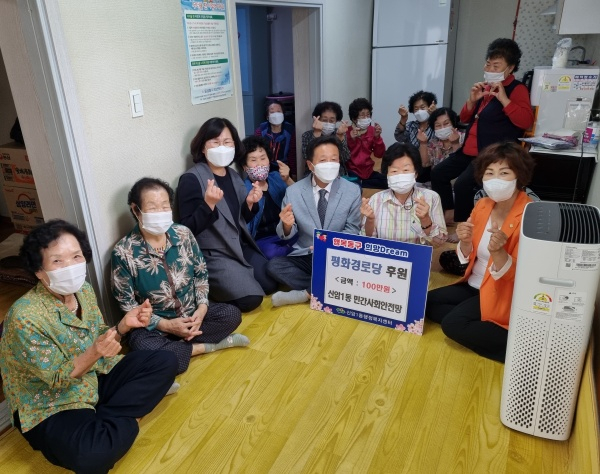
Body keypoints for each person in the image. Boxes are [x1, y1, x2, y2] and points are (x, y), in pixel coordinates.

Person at [0, 219, 178, 474]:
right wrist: (95, 352)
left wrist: (123, 327)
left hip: (92, 375)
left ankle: (106, 421)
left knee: (166, 361)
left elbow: (99, 333)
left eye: (76, 257)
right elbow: (56, 379)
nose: (70, 267)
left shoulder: (83, 290)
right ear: (38, 270)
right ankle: (124, 417)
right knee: (92, 457)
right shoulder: (24, 317)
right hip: (48, 401)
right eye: (57, 261)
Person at [111, 178, 249, 375]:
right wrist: (166, 325)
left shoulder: (183, 234)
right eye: (153, 208)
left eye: (165, 206)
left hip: (192, 316)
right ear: (136, 210)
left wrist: (201, 309)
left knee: (231, 314)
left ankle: (177, 351)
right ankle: (202, 347)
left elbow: (201, 273)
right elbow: (127, 304)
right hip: (155, 327)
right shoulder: (123, 252)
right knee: (141, 345)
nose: (160, 212)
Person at [425, 142, 536, 362]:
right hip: (473, 284)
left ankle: (521, 349)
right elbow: (467, 256)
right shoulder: (483, 204)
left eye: (504, 173)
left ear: (519, 176)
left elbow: (524, 276)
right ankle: (479, 322)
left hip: (501, 290)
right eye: (489, 173)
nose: (495, 179)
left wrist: (499, 252)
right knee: (427, 302)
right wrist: (465, 241)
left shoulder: (530, 213)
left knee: (452, 325)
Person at [178, 117, 277, 313]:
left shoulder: (232, 175)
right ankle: (207, 298)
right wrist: (208, 205)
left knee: (270, 283)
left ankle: (239, 279)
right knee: (252, 299)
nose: (222, 147)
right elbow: (185, 231)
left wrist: (250, 203)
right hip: (214, 253)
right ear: (203, 147)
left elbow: (240, 219)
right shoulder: (191, 178)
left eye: (227, 142)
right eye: (215, 142)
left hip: (239, 245)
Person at [431, 38, 534, 226]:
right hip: (468, 150)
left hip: (489, 154)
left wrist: (504, 99)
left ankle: (464, 227)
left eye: (496, 66)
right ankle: (450, 213)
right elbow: (464, 119)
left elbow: (526, 121)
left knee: (462, 185)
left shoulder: (517, 89)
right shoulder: (485, 88)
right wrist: (472, 100)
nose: (490, 69)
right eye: (488, 64)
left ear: (510, 68)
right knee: (438, 173)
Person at [267, 135, 362, 306]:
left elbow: (353, 230)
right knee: (274, 266)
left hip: (337, 255)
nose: (330, 164)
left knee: (356, 268)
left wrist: (329, 245)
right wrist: (287, 225)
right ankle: (330, 287)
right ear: (311, 165)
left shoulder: (352, 191)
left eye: (334, 159)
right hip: (307, 254)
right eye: (323, 160)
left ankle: (306, 293)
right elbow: (286, 233)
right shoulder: (294, 192)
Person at [361, 143, 446, 245]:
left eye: (406, 170)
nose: (400, 175)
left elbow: (440, 242)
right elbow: (366, 241)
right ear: (387, 174)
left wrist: (425, 220)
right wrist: (370, 220)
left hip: (416, 254)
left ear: (415, 173)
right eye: (394, 171)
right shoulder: (376, 199)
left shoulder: (431, 197)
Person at [236, 136, 297, 259]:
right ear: (244, 166)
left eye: (263, 158)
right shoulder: (242, 189)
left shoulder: (277, 177)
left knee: (308, 241)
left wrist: (288, 179)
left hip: (287, 232)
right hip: (263, 239)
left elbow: (300, 198)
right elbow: (243, 226)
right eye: (253, 160)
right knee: (273, 253)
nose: (260, 164)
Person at [346, 97, 387, 189]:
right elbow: (345, 155)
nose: (366, 118)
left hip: (368, 171)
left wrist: (377, 138)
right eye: (362, 115)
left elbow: (379, 154)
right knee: (354, 187)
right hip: (352, 170)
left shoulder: (372, 130)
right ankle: (359, 183)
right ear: (354, 118)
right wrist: (351, 139)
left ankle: (361, 182)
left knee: (387, 181)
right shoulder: (347, 131)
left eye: (368, 115)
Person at [301, 101, 351, 175]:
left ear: (336, 121)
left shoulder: (339, 133)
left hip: (337, 173)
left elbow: (345, 158)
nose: (328, 123)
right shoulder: (307, 135)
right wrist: (317, 134)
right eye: (324, 120)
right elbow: (307, 156)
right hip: (314, 174)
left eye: (331, 120)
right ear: (317, 119)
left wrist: (340, 137)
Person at [417, 107, 463, 186]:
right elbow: (425, 163)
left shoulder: (464, 138)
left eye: (446, 123)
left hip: (459, 185)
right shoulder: (433, 143)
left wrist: (455, 143)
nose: (442, 128)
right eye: (438, 125)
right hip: (437, 185)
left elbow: (462, 164)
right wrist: (423, 143)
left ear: (453, 123)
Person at [255, 100, 297, 179]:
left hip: (284, 167)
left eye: (278, 111)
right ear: (267, 116)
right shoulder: (261, 130)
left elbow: (292, 153)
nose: (276, 115)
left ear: (283, 114)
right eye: (272, 112)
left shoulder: (290, 130)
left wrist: (294, 173)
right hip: (265, 166)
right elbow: (257, 152)